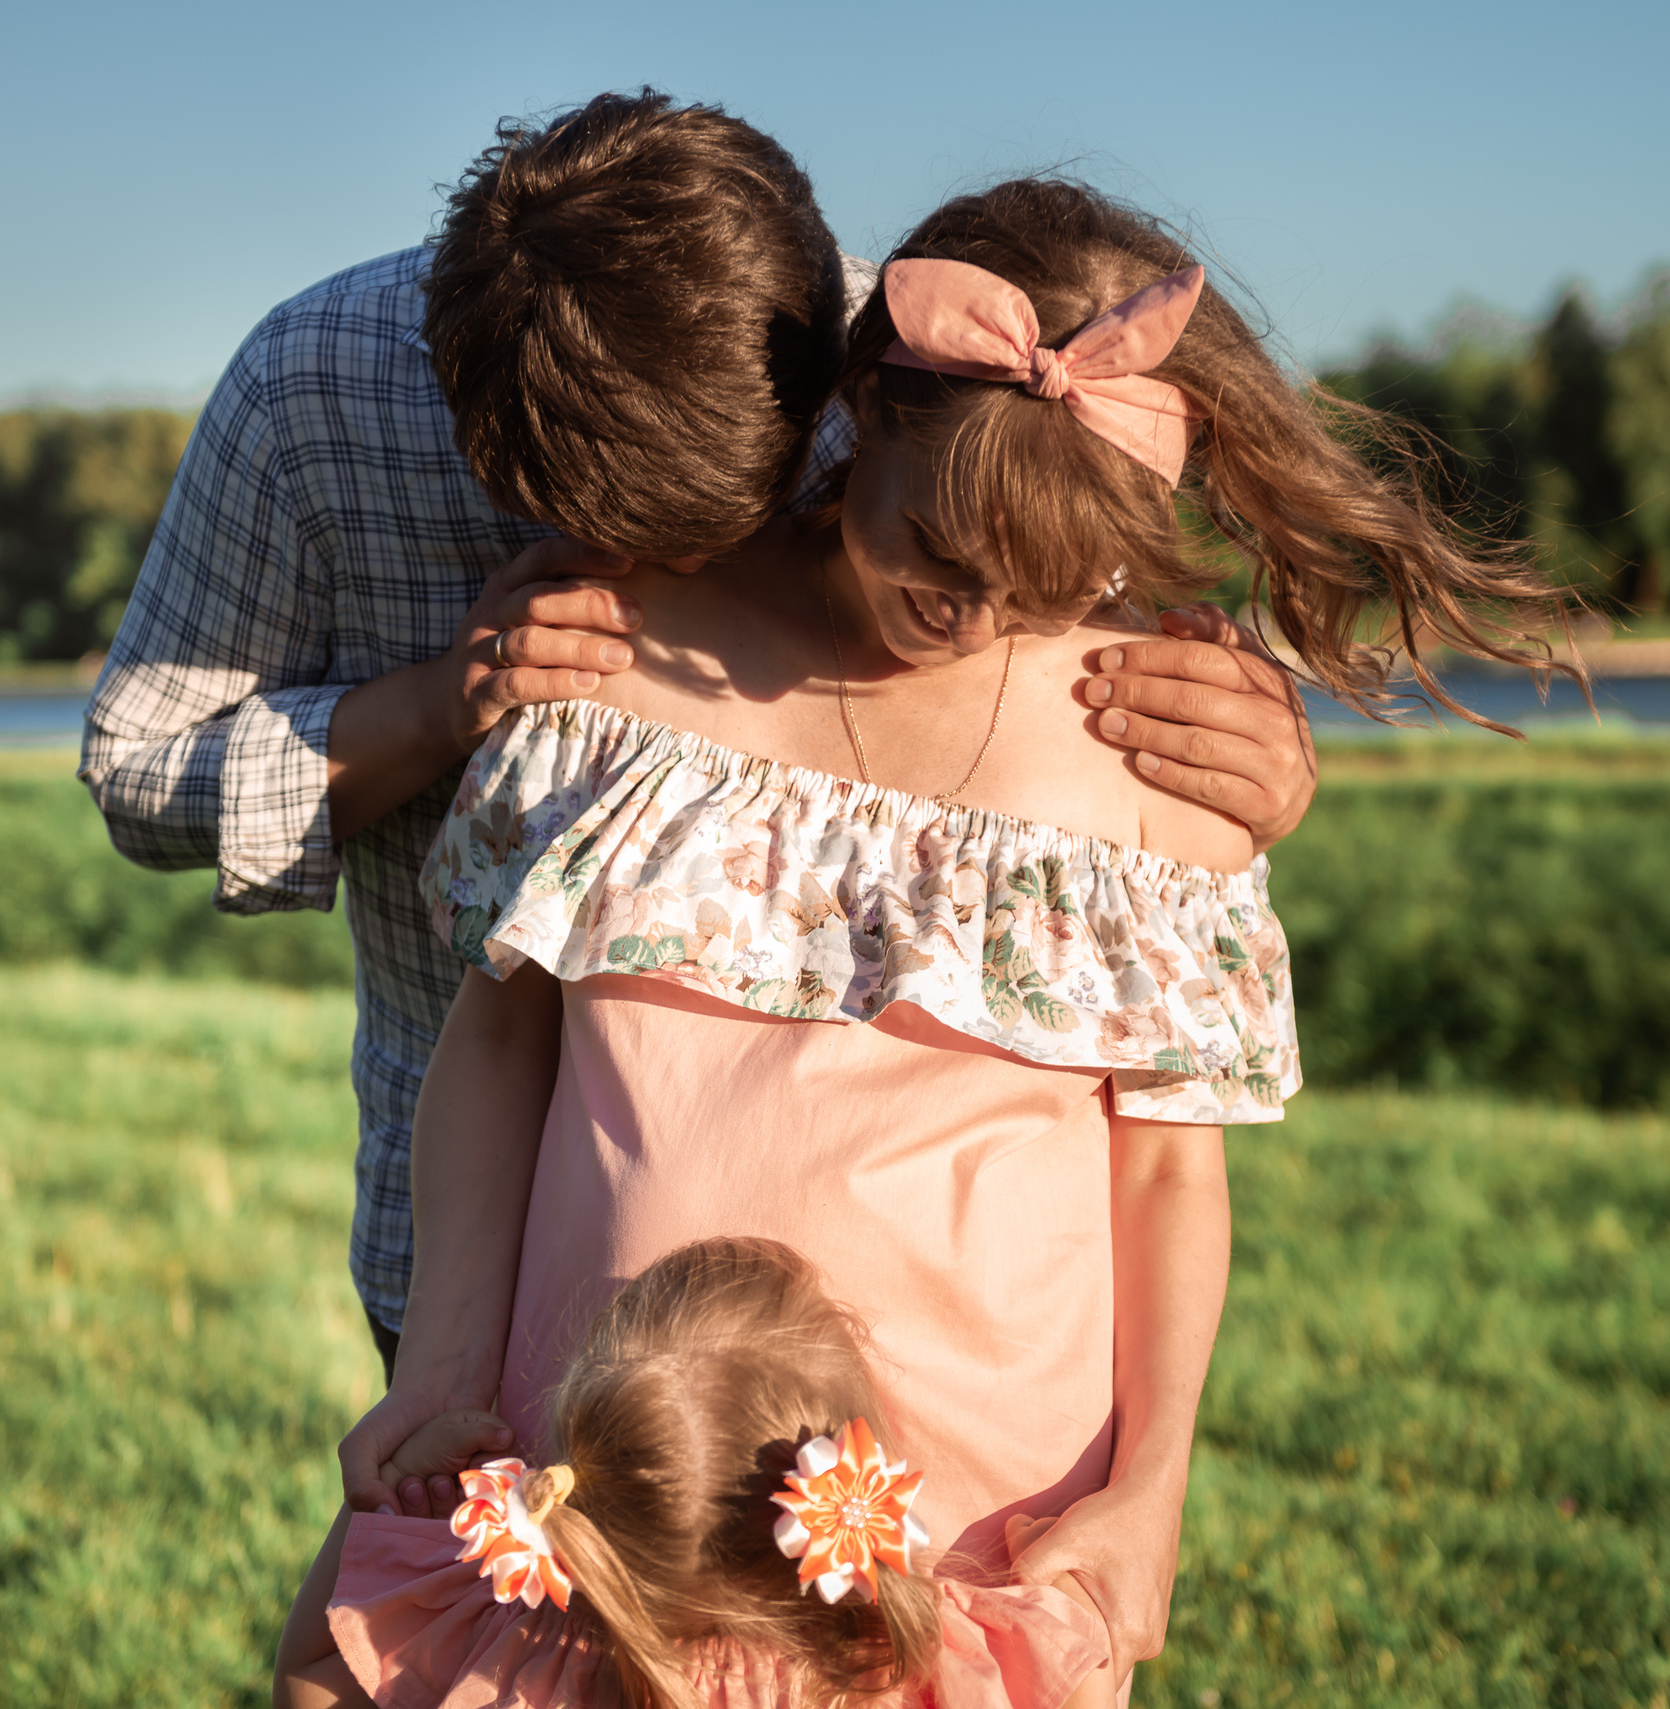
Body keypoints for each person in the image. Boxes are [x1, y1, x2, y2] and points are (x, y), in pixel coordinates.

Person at [362, 176, 1582, 1701]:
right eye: (938, 548)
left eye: (1041, 586)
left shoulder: (1154, 747)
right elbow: (499, 1046)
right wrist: (440, 1367)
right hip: (621, 1472)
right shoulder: (632, 655)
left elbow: (1167, 1170)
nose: (974, 613)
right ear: (868, 405)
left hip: (972, 1528)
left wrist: (1152, 1487)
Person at [78, 92, 1322, 1391]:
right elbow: (139, 772)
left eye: (743, 525)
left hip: (911, 1317)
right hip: (476, 1239)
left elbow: (1059, 592)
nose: (690, 608)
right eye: (644, 552)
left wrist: (1254, 769)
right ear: (485, 446)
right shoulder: (311, 391)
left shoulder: (939, 342)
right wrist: (445, 702)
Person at [276, 1237, 1119, 1708]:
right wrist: (1089, 1592)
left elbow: (309, 1684)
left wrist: (381, 1504)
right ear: (855, 1480)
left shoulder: (518, 1662)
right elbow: (1082, 1681)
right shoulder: (919, 1666)